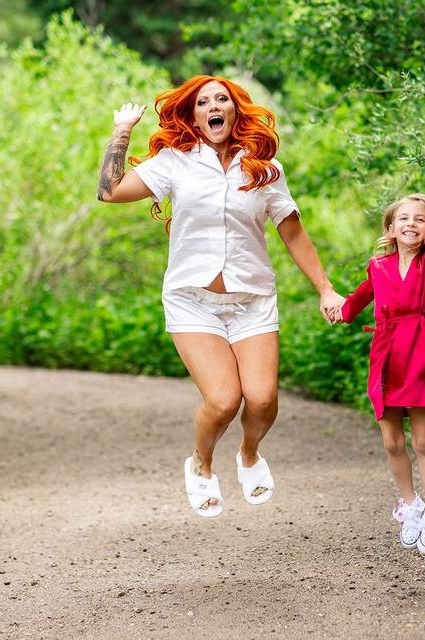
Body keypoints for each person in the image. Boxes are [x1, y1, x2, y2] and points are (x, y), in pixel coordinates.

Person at [97, 75, 344, 517]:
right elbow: (109, 193)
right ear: (193, 115)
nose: (213, 106)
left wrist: (325, 288)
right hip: (192, 301)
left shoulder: (264, 168)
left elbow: (292, 232)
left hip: (251, 300)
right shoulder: (174, 162)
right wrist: (121, 133)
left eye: (222, 99)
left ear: (234, 110)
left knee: (264, 399)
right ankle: (201, 463)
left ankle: (248, 455)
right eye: (203, 101)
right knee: (224, 399)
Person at [335, 157, 425, 553]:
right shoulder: (377, 265)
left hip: (415, 352)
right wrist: (340, 310)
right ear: (390, 227)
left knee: (421, 441)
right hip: (383, 355)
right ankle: (411, 504)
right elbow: (358, 300)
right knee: (391, 442)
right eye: (403, 218)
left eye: (420, 219)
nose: (411, 224)